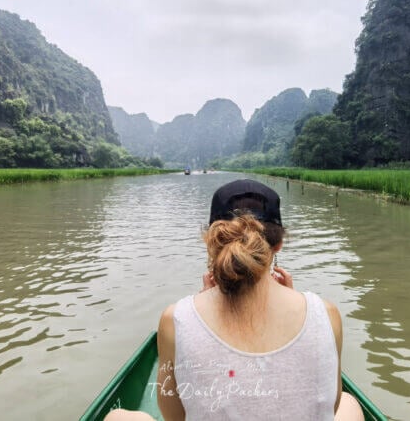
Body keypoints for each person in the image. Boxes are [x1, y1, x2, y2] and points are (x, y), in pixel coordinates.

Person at [107, 179, 364, 421]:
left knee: (117, 417)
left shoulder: (175, 320)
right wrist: (297, 301)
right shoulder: (326, 313)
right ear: (279, 244)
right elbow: (331, 405)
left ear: (211, 242)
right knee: (349, 403)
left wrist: (194, 313)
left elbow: (176, 417)